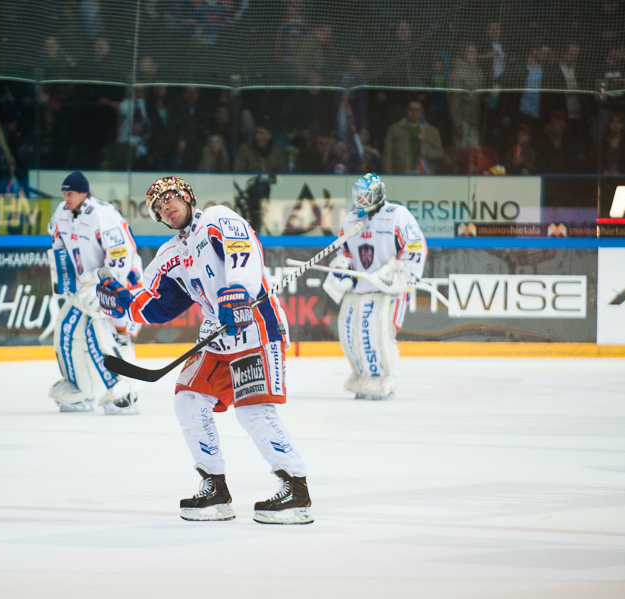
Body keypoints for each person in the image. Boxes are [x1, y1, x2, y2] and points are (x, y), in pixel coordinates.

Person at [96, 175, 313, 525]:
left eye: (169, 198)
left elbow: (243, 250)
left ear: (187, 197)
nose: (165, 207)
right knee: (189, 399)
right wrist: (120, 299)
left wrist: (238, 290)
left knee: (253, 412)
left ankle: (296, 490)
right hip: (217, 334)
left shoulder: (216, 218)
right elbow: (152, 305)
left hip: (254, 325)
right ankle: (215, 487)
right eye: (158, 206)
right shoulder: (171, 253)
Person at [322, 174, 427, 401]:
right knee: (350, 336)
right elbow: (345, 253)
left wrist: (399, 274)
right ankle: (363, 378)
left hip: (388, 291)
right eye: (357, 196)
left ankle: (384, 381)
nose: (360, 200)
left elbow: (415, 249)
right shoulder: (351, 220)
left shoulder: (398, 215)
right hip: (359, 291)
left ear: (378, 195)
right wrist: (342, 269)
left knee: (379, 335)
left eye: (365, 196)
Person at [47, 171, 143, 415]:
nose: (66, 197)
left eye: (71, 193)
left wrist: (105, 285)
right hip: (85, 288)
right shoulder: (61, 214)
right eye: (64, 193)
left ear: (83, 194)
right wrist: (65, 281)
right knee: (66, 328)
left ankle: (123, 392)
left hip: (120, 287)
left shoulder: (102, 215)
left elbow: (122, 256)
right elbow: (58, 246)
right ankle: (78, 389)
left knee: (105, 334)